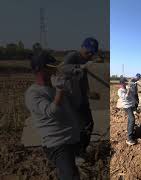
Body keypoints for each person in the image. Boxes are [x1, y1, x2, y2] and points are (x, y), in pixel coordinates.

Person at [25, 52, 80, 180]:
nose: (55, 69)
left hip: (68, 140)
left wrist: (73, 82)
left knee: (72, 174)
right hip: (57, 144)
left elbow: (73, 104)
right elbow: (51, 112)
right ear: (41, 69)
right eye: (51, 67)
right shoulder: (33, 93)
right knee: (70, 176)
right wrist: (60, 90)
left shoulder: (53, 88)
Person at [60, 37, 99, 160]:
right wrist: (80, 67)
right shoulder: (73, 56)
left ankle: (81, 150)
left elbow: (83, 81)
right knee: (79, 126)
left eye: (92, 53)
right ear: (82, 47)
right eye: (88, 51)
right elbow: (62, 68)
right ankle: (76, 153)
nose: (89, 54)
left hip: (82, 99)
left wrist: (88, 93)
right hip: (71, 99)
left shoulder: (85, 61)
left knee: (88, 124)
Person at [118, 77, 137, 145]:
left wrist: (133, 86)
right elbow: (126, 97)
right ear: (121, 84)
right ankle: (129, 139)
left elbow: (133, 93)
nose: (125, 84)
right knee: (132, 119)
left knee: (130, 119)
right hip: (127, 107)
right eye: (124, 83)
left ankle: (129, 130)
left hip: (131, 106)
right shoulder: (120, 91)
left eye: (126, 83)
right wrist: (129, 89)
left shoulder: (126, 88)